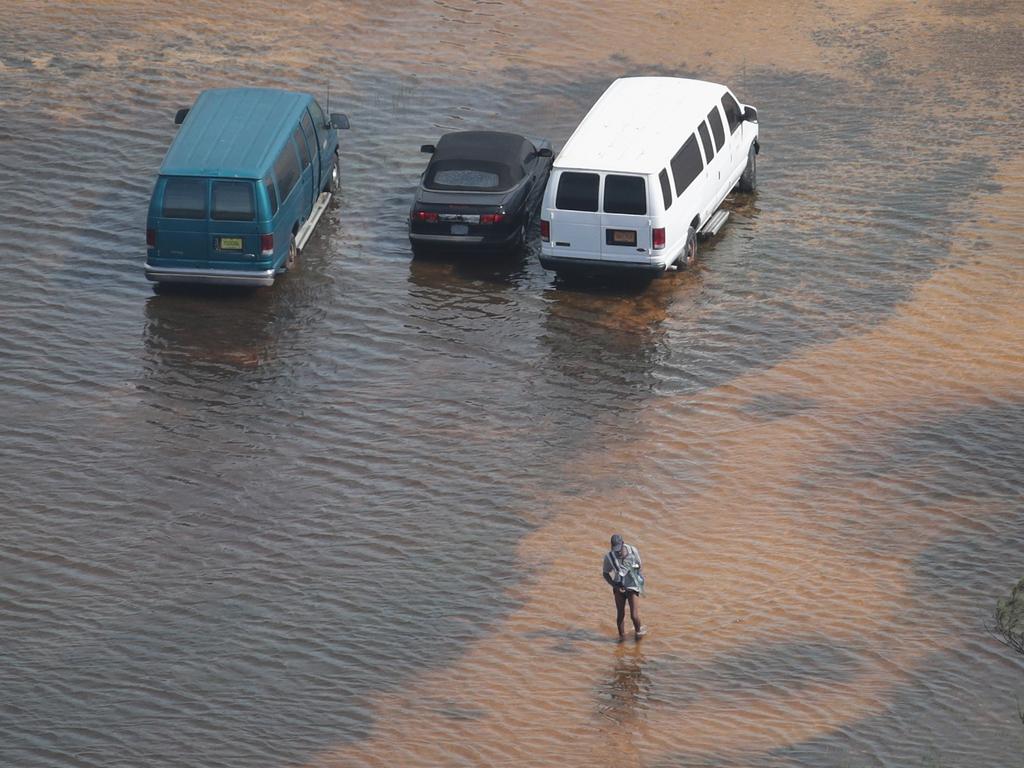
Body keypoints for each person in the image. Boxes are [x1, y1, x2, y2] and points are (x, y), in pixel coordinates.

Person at [602, 533, 647, 640]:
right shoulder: (609, 557)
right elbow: (605, 573)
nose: (618, 552)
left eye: (619, 548)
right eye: (615, 549)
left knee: (634, 616)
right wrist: (614, 585)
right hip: (619, 586)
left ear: (623, 543)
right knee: (620, 615)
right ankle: (621, 640)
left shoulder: (633, 551)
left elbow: (639, 567)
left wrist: (636, 577)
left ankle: (638, 636)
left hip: (633, 586)